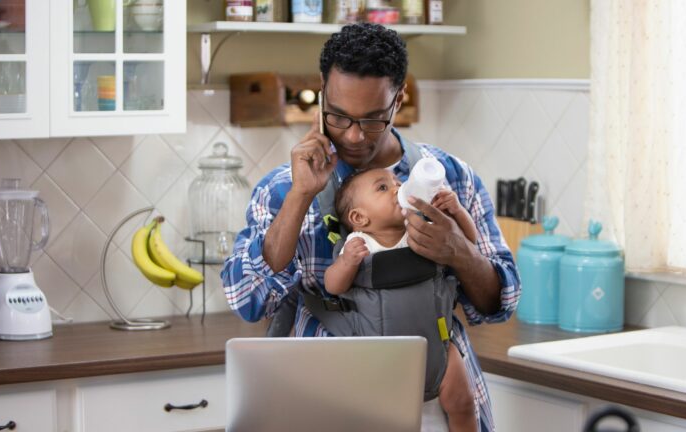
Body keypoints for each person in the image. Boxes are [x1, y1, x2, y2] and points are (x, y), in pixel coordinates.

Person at [222, 23, 521, 431]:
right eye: (339, 117)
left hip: (439, 397)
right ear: (323, 94)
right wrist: (300, 196)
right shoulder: (282, 188)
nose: (355, 136)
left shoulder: (449, 176)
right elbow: (248, 300)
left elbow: (498, 305)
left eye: (373, 119)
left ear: (398, 100)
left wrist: (460, 252)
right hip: (324, 402)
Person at [325, 167, 478, 432]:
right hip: (384, 356)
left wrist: (457, 213)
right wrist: (348, 262)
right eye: (383, 188)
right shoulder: (359, 244)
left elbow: (468, 243)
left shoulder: (422, 229)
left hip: (438, 343)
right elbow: (333, 286)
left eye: (397, 182)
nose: (398, 188)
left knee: (463, 403)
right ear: (359, 217)